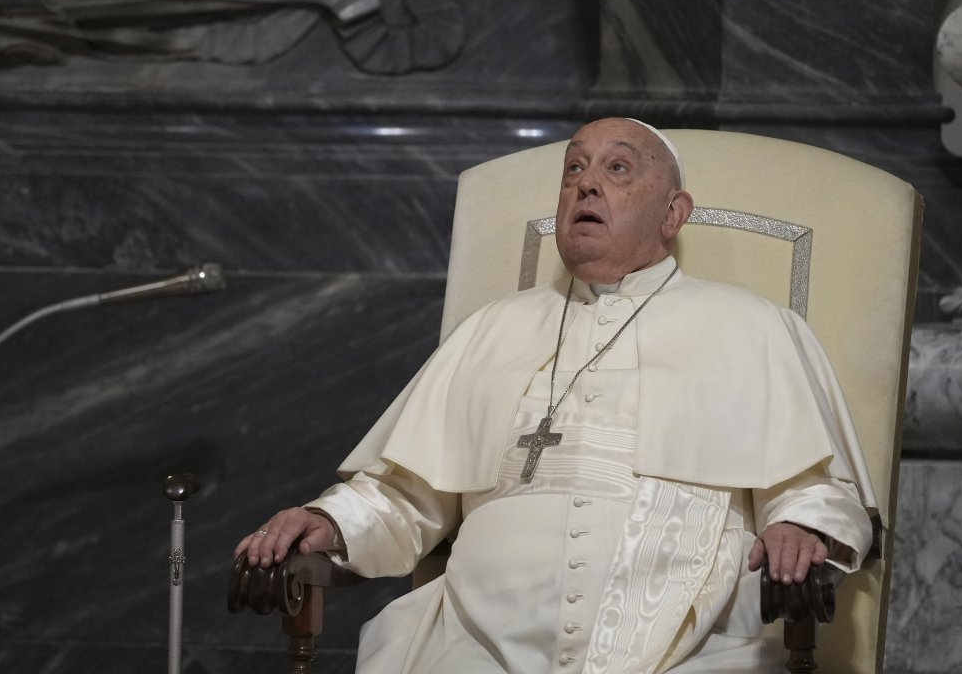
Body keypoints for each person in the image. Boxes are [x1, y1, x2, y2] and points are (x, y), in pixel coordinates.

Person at [236, 117, 876, 673]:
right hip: (472, 641)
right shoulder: (491, 329)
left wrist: (801, 526)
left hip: (690, 643)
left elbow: (811, 484)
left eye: (617, 169)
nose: (586, 184)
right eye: (574, 169)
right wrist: (331, 521)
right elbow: (405, 497)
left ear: (673, 213)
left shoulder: (752, 328)